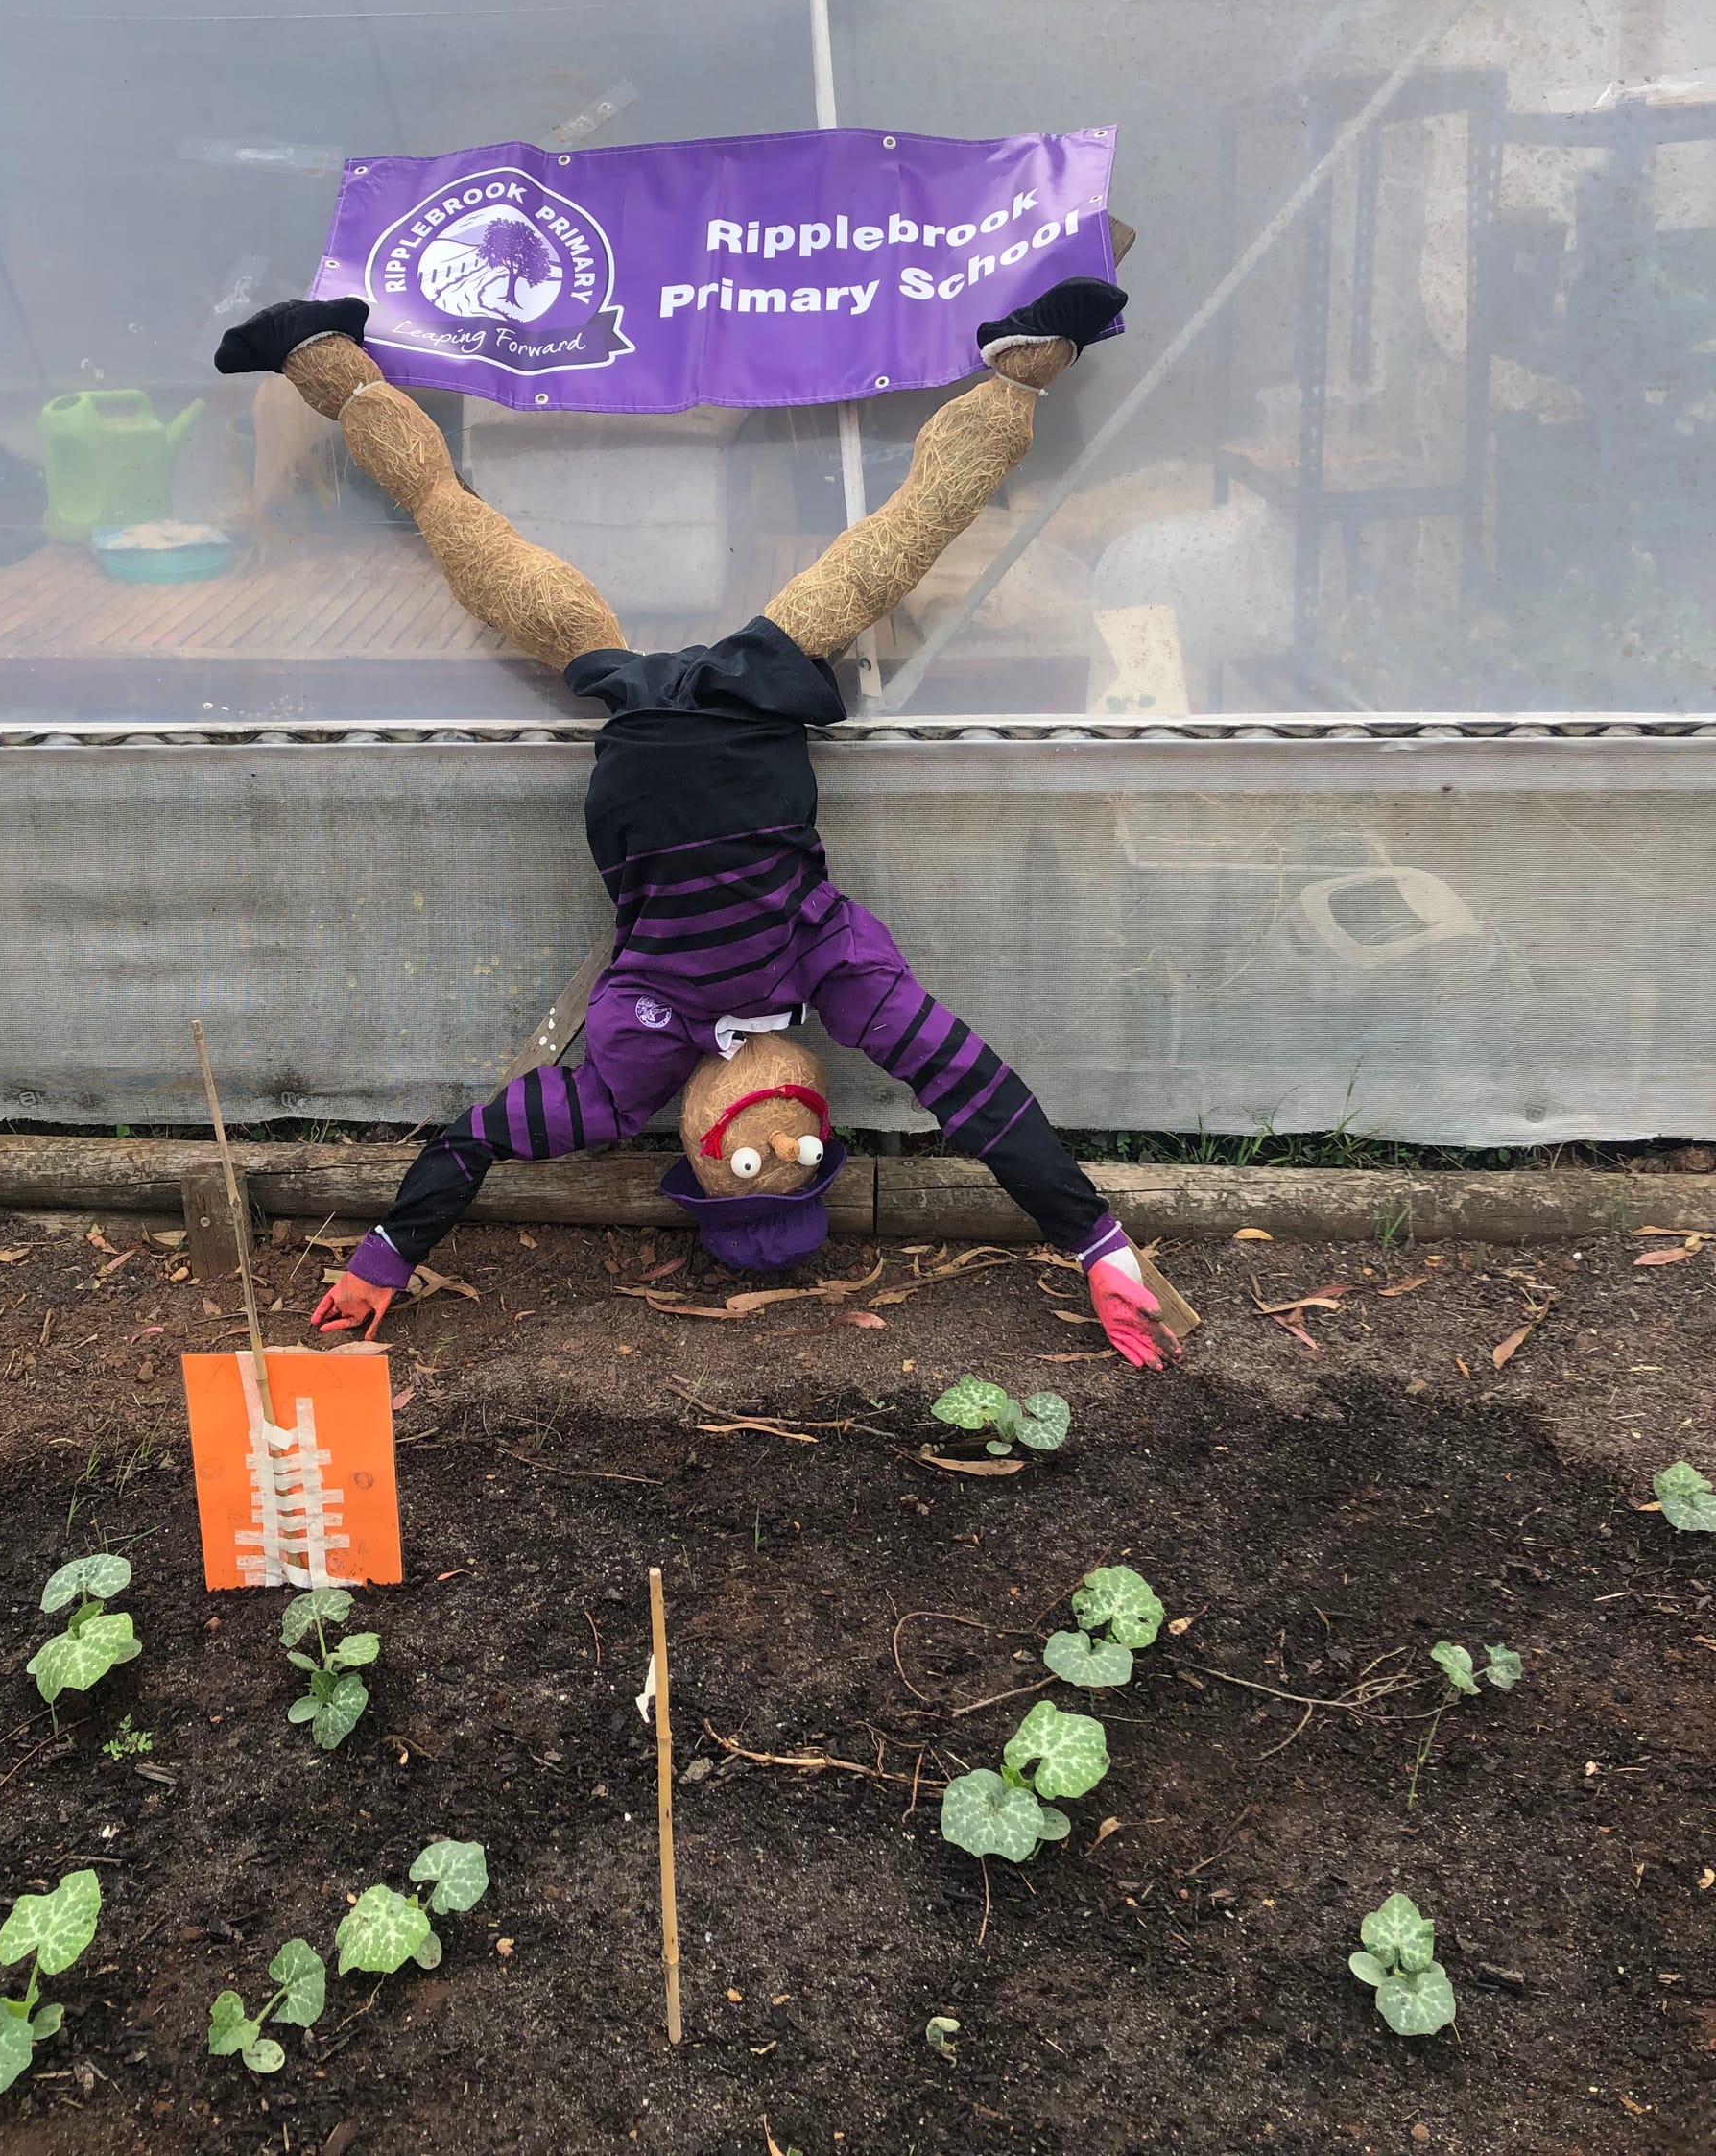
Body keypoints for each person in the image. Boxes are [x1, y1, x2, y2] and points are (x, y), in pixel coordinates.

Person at [214, 270, 1179, 1373]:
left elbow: (478, 1138)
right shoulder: (836, 969)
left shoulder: (636, 1053)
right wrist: (1098, 1243)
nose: (771, 1137)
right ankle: (1026, 358)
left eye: (745, 1165)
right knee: (907, 529)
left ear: (688, 1139)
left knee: (464, 533)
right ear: (827, 1125)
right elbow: (973, 1090)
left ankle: (327, 364)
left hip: (626, 703)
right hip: (756, 690)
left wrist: (386, 1253)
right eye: (802, 1153)